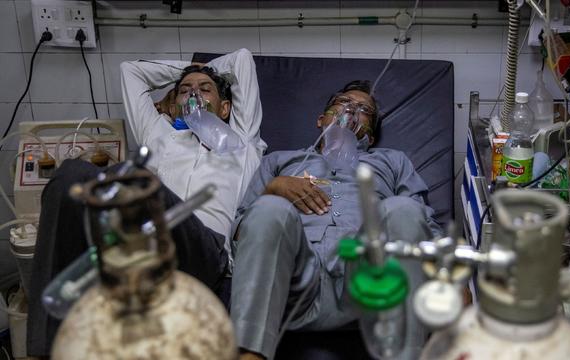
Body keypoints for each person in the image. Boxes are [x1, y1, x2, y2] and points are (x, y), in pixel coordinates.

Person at [27, 48, 264, 356]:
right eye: (184, 91)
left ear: (225, 108)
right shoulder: (159, 134)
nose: (194, 94)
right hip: (141, 242)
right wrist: (192, 77)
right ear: (173, 104)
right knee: (70, 175)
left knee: (138, 181)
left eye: (205, 90)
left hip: (205, 252)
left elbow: (242, 59)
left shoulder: (243, 141)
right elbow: (130, 71)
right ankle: (45, 348)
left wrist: (198, 69)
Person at [230, 80, 442, 360]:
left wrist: (451, 279)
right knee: (269, 207)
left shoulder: (392, 161)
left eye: (364, 109)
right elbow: (241, 232)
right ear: (321, 120)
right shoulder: (279, 162)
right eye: (342, 102)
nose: (351, 110)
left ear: (372, 135)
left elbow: (422, 224)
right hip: (293, 279)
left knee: (403, 208)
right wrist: (274, 189)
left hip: (368, 278)